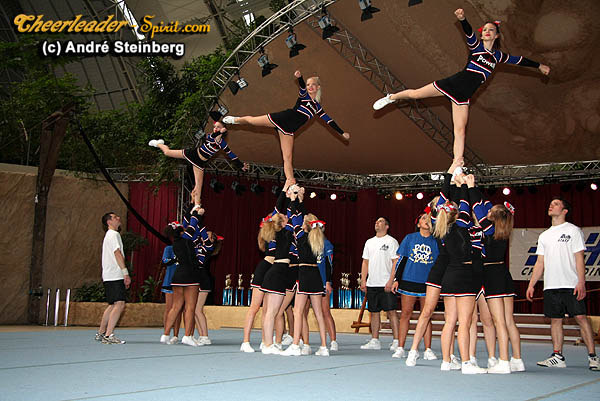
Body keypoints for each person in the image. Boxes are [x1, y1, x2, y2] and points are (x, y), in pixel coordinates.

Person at [372, 8, 550, 163]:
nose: (487, 32)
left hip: (464, 96)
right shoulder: (476, 47)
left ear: (496, 36)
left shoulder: (498, 57)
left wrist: (539, 66)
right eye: (485, 29)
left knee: (460, 131)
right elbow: (469, 33)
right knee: (415, 94)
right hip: (452, 84)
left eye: (491, 30)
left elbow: (519, 60)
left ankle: (457, 163)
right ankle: (391, 97)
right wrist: (463, 19)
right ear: (482, 35)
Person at [222, 70, 350, 185]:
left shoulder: (317, 108)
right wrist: (300, 77)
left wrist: (342, 132)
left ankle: (290, 182)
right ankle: (235, 120)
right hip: (283, 118)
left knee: (287, 158)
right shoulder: (304, 96)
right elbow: (302, 87)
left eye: (313, 84)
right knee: (253, 121)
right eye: (308, 84)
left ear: (318, 87)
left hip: (289, 130)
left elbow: (329, 121)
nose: (310, 86)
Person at [526, 197, 599, 371]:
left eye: (556, 204)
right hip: (551, 285)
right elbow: (540, 263)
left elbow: (579, 258)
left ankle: (593, 357)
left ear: (565, 211)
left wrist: (581, 282)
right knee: (555, 320)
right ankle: (557, 356)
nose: (551, 205)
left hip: (571, 283)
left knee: (580, 317)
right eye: (551, 203)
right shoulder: (544, 235)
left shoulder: (573, 231)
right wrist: (531, 284)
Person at [468, 174, 523, 373]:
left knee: (499, 320)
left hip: (492, 274)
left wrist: (471, 187)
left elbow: (477, 207)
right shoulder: (504, 230)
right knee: (509, 321)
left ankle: (504, 361)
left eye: (490, 211)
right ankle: (517, 359)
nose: (487, 211)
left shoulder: (490, 229)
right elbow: (483, 206)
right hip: (503, 273)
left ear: (494, 217)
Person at [148, 121, 249, 207]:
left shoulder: (222, 144)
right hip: (193, 154)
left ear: (224, 129)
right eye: (214, 126)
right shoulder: (210, 136)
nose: (215, 128)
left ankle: (196, 206)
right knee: (167, 152)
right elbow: (212, 137)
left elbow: (231, 155)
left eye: (218, 127)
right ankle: (159, 143)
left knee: (198, 187)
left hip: (200, 163)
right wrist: (219, 131)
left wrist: (241, 165)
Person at [281, 208, 330, 357]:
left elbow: (295, 220)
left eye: (304, 222)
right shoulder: (319, 239)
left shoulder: (302, 236)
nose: (301, 223)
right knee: (318, 313)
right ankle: (323, 347)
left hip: (304, 274)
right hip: (316, 275)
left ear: (307, 224)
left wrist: (294, 201)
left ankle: (296, 345)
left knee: (298, 311)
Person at [161, 208, 214, 347]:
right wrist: (197, 213)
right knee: (190, 307)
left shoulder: (176, 243)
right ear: (181, 231)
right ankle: (187, 336)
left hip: (178, 275)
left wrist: (192, 207)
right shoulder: (186, 238)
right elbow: (192, 224)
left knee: (175, 307)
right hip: (190, 274)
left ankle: (165, 334)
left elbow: (189, 224)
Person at [391, 212, 439, 360]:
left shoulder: (436, 241)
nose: (426, 221)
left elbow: (439, 263)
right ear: (418, 224)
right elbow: (402, 259)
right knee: (405, 314)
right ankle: (400, 347)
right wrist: (396, 279)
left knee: (427, 315)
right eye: (423, 218)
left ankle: (428, 349)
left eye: (429, 219)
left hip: (428, 282)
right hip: (409, 280)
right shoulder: (410, 238)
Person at [359, 217, 400, 351]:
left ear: (387, 226)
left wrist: (391, 280)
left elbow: (395, 262)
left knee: (391, 312)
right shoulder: (369, 242)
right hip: (372, 283)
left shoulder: (391, 241)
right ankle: (375, 340)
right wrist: (363, 280)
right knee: (373, 312)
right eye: (376, 221)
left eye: (381, 221)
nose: (377, 223)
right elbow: (365, 262)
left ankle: (397, 341)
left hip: (386, 283)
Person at [96, 212, 130, 344]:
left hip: (108, 275)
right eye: (115, 217)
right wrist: (125, 272)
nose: (118, 218)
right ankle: (109, 335)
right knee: (120, 303)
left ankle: (101, 333)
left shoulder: (108, 235)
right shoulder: (114, 235)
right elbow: (117, 253)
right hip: (115, 274)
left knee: (112, 305)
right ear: (109, 222)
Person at [193, 232, 223, 346]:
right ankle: (201, 335)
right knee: (194, 310)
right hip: (197, 278)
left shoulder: (208, 248)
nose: (204, 235)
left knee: (198, 309)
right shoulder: (199, 246)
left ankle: (205, 336)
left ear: (212, 240)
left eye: (207, 235)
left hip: (203, 280)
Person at [319, 228, 338, 351]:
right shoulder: (307, 242)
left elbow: (329, 264)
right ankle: (300, 340)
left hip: (323, 281)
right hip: (309, 281)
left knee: (325, 311)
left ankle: (333, 340)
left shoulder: (326, 244)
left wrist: (327, 281)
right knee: (303, 310)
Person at [160, 240, 182, 345]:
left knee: (178, 309)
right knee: (169, 308)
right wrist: (176, 259)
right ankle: (166, 333)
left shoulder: (185, 249)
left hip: (181, 281)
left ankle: (176, 335)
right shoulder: (168, 249)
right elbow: (165, 260)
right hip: (169, 281)